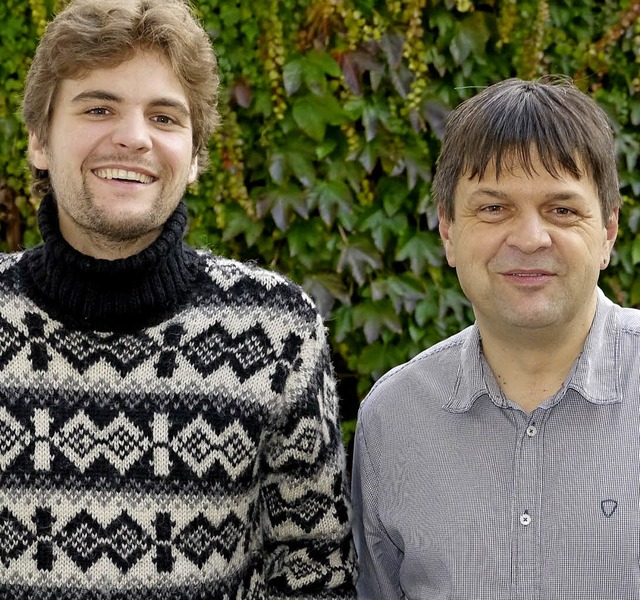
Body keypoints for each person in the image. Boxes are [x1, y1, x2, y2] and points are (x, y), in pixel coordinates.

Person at [4, 0, 356, 597]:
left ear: (194, 157)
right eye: (99, 107)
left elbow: (314, 573)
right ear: (40, 140)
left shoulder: (275, 334)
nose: (134, 138)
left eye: (165, 118)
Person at [351, 76, 639, 598]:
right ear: (447, 231)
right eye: (493, 208)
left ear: (609, 231)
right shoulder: (392, 421)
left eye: (562, 210)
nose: (529, 239)